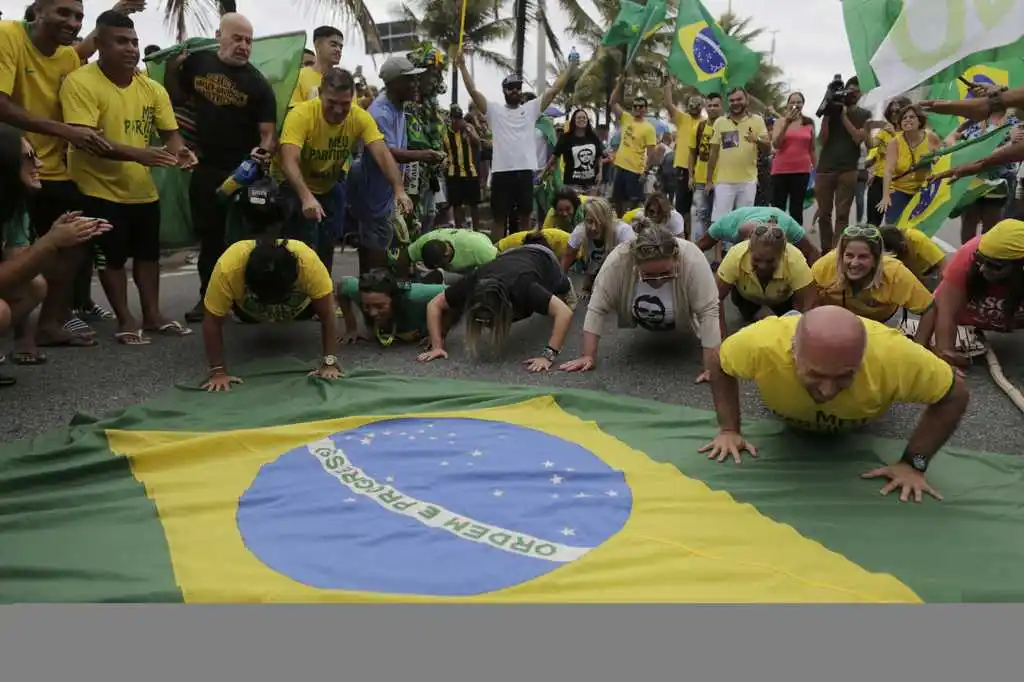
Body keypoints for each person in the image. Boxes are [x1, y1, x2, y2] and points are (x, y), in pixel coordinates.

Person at [700, 305, 969, 502]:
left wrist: (914, 463)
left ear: (862, 359)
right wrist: (729, 429)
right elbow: (717, 360)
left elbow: (955, 393)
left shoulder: (894, 356)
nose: (828, 391)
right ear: (793, 352)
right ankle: (797, 318)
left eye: (844, 376)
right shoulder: (763, 344)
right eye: (815, 374)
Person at [60, 10, 197, 346]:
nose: (132, 49)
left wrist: (182, 152)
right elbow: (85, 139)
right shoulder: (79, 82)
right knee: (113, 258)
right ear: (100, 44)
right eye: (121, 42)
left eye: (134, 42)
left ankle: (153, 315)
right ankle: (125, 319)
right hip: (97, 187)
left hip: (141, 188)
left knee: (149, 256)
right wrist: (139, 154)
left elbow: (171, 134)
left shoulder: (152, 88)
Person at [0, 0, 124, 347]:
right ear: (38, 10)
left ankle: (49, 323)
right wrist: (65, 131)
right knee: (18, 250)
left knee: (78, 235)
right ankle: (22, 336)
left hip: (51, 168)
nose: (72, 22)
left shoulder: (69, 57)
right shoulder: (8, 35)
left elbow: (88, 48)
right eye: (63, 13)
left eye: (78, 16)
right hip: (11, 163)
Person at [165, 12, 279, 324]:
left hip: (245, 173)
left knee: (248, 239)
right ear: (219, 36)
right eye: (237, 38)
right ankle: (209, 298)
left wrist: (262, 151)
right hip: (206, 168)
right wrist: (173, 69)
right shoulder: (197, 63)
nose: (243, 46)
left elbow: (268, 134)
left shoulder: (258, 84)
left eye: (249, 41)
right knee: (210, 239)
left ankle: (247, 302)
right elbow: (176, 97)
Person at [0, 124, 110, 371]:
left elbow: (18, 272)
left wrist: (56, 239)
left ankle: (35, 333)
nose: (39, 164)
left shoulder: (13, 204)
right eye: (29, 157)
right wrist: (49, 242)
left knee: (34, 286)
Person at [559, 221, 721, 383]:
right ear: (635, 263)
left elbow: (709, 311)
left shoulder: (692, 259)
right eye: (649, 275)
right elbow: (597, 307)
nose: (658, 281)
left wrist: (710, 368)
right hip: (639, 315)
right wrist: (588, 355)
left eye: (666, 273)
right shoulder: (618, 260)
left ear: (676, 258)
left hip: (683, 319)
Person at [274, 68, 399, 274]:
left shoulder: (360, 117)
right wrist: (306, 197)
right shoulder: (301, 114)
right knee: (299, 247)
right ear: (320, 94)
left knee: (327, 244)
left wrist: (398, 189)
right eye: (331, 103)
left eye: (345, 104)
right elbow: (289, 160)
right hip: (292, 185)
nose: (338, 110)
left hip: (327, 186)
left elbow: (382, 154)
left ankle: (323, 287)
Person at [200, 232, 341, 392]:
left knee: (323, 303)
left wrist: (330, 362)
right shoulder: (228, 268)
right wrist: (218, 371)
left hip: (302, 310)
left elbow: (328, 314)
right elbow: (212, 321)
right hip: (248, 313)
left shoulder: (308, 263)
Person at [456, 52, 573, 242]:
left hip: (525, 172)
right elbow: (473, 92)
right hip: (501, 173)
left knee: (525, 217)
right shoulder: (494, 110)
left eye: (518, 87)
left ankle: (524, 251)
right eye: (510, 88)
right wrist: (462, 66)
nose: (515, 91)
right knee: (499, 218)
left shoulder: (531, 109)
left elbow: (554, 90)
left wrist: (571, 66)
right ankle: (495, 253)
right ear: (504, 91)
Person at [416, 235, 575, 372]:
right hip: (510, 255)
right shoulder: (474, 281)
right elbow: (434, 305)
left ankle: (566, 284)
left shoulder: (524, 287)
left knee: (561, 289)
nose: (486, 324)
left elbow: (564, 313)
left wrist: (548, 356)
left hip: (545, 258)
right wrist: (437, 346)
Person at [345, 56, 425, 275]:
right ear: (394, 83)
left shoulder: (397, 107)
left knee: (382, 236)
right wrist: (424, 155)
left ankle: (372, 284)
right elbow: (387, 152)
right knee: (375, 239)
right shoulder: (380, 112)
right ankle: (373, 285)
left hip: (386, 187)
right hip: (374, 187)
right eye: (409, 80)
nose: (415, 84)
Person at [916, 219, 1024, 368]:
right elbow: (947, 313)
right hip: (970, 313)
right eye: (980, 260)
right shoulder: (968, 254)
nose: (983, 268)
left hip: (1013, 318)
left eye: (995, 266)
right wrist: (947, 355)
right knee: (937, 301)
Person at [810, 225, 935, 328]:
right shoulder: (826, 265)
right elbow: (807, 300)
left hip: (883, 323)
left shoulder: (895, 272)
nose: (854, 263)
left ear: (876, 259)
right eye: (849, 255)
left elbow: (929, 308)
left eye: (863, 257)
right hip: (835, 320)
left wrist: (920, 344)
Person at [714, 222, 816, 336]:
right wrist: (721, 339)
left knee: (786, 326)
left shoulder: (794, 259)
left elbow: (811, 304)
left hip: (783, 301)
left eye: (770, 261)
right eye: (756, 259)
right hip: (747, 299)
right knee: (759, 322)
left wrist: (800, 335)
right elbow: (715, 298)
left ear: (782, 254)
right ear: (749, 250)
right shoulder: (736, 255)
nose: (763, 266)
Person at [945, 106, 1019, 244]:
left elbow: (1016, 147)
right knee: (969, 222)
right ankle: (967, 255)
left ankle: (984, 254)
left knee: (991, 226)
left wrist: (1002, 148)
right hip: (972, 178)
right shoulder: (975, 119)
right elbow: (950, 138)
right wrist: (961, 152)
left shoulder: (1013, 122)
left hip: (998, 181)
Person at [814, 77, 871, 251]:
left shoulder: (864, 114)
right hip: (825, 168)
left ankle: (837, 250)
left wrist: (843, 115)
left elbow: (858, 138)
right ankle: (826, 250)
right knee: (823, 214)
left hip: (848, 169)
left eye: (857, 91)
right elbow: (823, 139)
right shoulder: (832, 111)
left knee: (842, 215)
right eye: (851, 90)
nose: (854, 94)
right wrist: (827, 112)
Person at [705, 87, 771, 224]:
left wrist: (757, 140)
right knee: (720, 222)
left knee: (744, 222)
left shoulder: (757, 120)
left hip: (748, 182)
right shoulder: (720, 122)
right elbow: (713, 153)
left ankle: (740, 239)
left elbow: (767, 148)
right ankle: (720, 240)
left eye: (739, 99)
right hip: (724, 181)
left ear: (747, 100)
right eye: (732, 100)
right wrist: (709, 181)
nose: (735, 103)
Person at [336, 268, 446, 346]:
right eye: (367, 306)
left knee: (429, 280)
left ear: (394, 299)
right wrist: (351, 328)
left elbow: (453, 294)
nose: (372, 312)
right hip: (399, 285)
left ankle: (437, 273)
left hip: (420, 288)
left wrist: (438, 334)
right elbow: (342, 285)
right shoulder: (359, 291)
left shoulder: (414, 295)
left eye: (379, 306)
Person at [877, 104, 941, 224]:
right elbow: (888, 170)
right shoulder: (895, 142)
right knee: (893, 227)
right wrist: (885, 196)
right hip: (899, 190)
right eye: (904, 118)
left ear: (919, 120)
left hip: (922, 191)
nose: (907, 120)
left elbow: (941, 160)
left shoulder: (931, 137)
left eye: (912, 117)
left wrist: (933, 159)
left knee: (916, 228)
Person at [696, 206, 821, 265]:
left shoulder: (787, 224)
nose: (762, 266)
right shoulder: (726, 224)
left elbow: (812, 252)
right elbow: (696, 247)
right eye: (757, 259)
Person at [561, 197, 635, 295]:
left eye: (599, 222)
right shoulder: (580, 230)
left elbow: (633, 264)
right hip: (595, 274)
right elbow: (567, 258)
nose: (593, 228)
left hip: (619, 276)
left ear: (608, 221)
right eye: (589, 221)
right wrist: (560, 287)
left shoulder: (623, 231)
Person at [607, 75, 657, 215]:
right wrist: (620, 83)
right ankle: (619, 223)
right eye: (635, 106)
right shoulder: (626, 118)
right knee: (617, 201)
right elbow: (612, 102)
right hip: (620, 167)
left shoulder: (649, 128)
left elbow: (652, 154)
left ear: (645, 109)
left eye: (641, 106)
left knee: (633, 204)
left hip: (635, 171)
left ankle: (633, 225)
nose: (637, 108)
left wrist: (645, 172)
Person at [663, 81, 704, 238]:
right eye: (691, 105)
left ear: (701, 106)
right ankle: (682, 236)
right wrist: (667, 87)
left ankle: (695, 237)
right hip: (682, 168)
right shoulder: (682, 118)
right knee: (681, 207)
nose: (694, 108)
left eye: (697, 105)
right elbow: (668, 104)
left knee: (699, 207)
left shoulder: (705, 122)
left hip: (700, 169)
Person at [864, 96, 912, 226]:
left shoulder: (910, 132)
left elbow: (907, 152)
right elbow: (871, 144)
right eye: (892, 111)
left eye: (898, 111)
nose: (894, 114)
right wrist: (866, 129)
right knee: (872, 223)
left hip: (898, 183)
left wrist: (894, 134)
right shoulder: (884, 131)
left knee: (893, 224)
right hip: (879, 179)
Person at [770, 92, 816, 225]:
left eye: (798, 102)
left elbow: (812, 149)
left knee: (796, 209)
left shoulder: (809, 123)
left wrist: (816, 172)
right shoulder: (780, 122)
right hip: (780, 171)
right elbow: (776, 144)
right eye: (792, 102)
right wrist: (786, 124)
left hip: (801, 171)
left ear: (803, 104)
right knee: (778, 208)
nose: (795, 105)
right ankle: (776, 235)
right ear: (788, 105)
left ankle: (795, 236)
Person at [688, 92, 722, 243]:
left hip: (722, 179)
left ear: (721, 107)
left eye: (716, 105)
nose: (712, 108)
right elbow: (691, 153)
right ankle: (698, 247)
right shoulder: (698, 127)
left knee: (720, 217)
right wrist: (690, 176)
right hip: (701, 179)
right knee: (700, 215)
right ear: (705, 108)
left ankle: (718, 252)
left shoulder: (726, 126)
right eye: (710, 105)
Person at [441, 105, 482, 229]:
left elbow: (477, 142)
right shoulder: (445, 131)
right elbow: (441, 148)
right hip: (453, 172)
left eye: (460, 118)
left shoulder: (468, 128)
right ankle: (459, 229)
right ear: (452, 119)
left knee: (474, 204)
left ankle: (476, 230)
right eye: (456, 119)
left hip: (470, 171)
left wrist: (468, 130)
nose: (459, 121)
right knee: (456, 204)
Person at [549, 108, 605, 195]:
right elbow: (555, 156)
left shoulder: (593, 137)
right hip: (572, 184)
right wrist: (544, 172)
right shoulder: (565, 138)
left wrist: (600, 173)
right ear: (574, 120)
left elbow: (599, 156)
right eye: (579, 118)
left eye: (584, 118)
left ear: (587, 120)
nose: (582, 119)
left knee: (591, 204)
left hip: (591, 183)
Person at [405, 227, 497, 279]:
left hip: (478, 258)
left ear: (447, 253)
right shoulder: (423, 242)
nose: (439, 267)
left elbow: (498, 268)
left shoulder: (479, 250)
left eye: (440, 264)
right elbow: (404, 257)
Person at [289, 25, 343, 107]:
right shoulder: (298, 76)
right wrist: (315, 104)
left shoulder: (344, 80)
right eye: (333, 45)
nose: (338, 50)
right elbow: (291, 109)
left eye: (341, 47)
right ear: (318, 45)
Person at [879, 225, 946, 282]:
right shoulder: (882, 246)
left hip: (929, 272)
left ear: (903, 244)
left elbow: (942, 263)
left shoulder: (917, 239)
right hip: (910, 273)